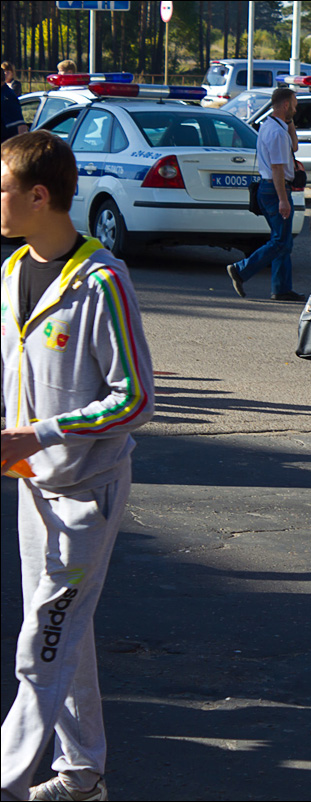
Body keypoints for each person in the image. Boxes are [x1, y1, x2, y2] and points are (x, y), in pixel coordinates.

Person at [1, 130, 155, 802]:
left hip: (87, 491)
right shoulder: (12, 272)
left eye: (1, 189)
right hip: (31, 490)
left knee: (43, 641)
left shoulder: (102, 281)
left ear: (39, 196)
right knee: (65, 632)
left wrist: (39, 434)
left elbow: (136, 397)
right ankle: (83, 775)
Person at [226, 86, 303, 302]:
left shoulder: (272, 126)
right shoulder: (276, 133)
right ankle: (241, 270)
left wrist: (289, 122)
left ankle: (281, 289)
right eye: (294, 105)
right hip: (275, 189)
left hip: (269, 188)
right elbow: (277, 168)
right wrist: (283, 200)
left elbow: (294, 147)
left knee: (283, 241)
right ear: (286, 105)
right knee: (280, 242)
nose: (296, 109)